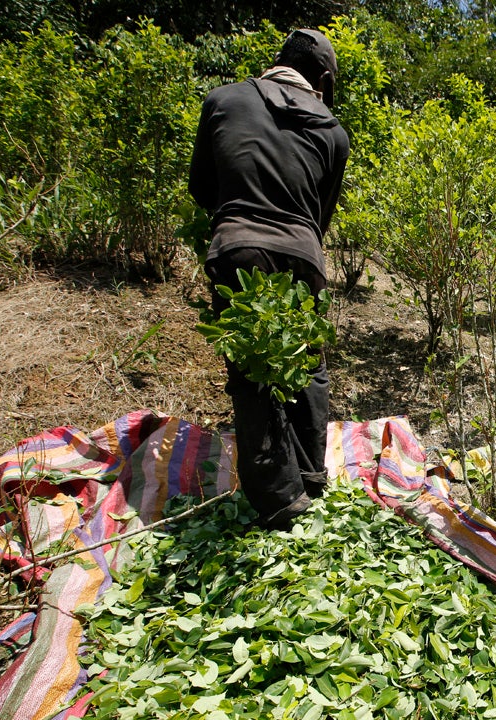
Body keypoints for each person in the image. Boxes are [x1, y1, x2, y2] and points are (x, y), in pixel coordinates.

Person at [188, 29, 350, 529]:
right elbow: (318, 216)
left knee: (253, 372)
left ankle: (280, 501)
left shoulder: (223, 100)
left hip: (237, 245)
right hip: (303, 253)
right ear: (321, 79)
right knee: (307, 365)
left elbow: (202, 187)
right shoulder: (333, 132)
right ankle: (308, 476)